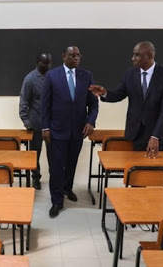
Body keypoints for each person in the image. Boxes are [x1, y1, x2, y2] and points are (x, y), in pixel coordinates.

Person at [89, 41, 163, 186]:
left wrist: (155, 136)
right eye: (133, 55)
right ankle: (138, 206)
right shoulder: (130, 73)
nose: (133, 58)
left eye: (137, 55)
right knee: (138, 176)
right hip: (138, 133)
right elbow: (120, 93)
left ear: (149, 55)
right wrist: (105, 93)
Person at [41, 46, 99, 218]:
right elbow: (45, 104)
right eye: (72, 55)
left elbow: (93, 104)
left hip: (78, 130)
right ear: (64, 56)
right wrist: (45, 127)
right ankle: (57, 200)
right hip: (57, 130)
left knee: (72, 162)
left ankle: (67, 188)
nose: (76, 58)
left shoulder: (86, 75)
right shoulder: (52, 76)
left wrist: (91, 121)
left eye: (78, 55)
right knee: (57, 166)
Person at [19, 52, 52, 190]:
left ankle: (54, 178)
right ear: (38, 62)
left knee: (53, 154)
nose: (48, 65)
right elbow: (24, 101)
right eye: (45, 63)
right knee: (35, 153)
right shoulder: (30, 79)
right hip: (36, 123)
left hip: (52, 124)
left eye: (49, 62)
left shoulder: (53, 76)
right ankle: (36, 178)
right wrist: (26, 120)